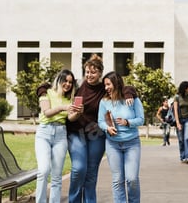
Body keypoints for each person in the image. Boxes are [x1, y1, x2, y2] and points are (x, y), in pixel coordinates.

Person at [37, 54, 136, 203]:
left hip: (96, 134)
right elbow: (47, 85)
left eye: (93, 72)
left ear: (100, 73)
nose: (89, 75)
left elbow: (124, 87)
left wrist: (129, 93)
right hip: (76, 134)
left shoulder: (104, 88)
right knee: (78, 169)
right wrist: (42, 92)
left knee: (91, 172)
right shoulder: (77, 86)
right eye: (87, 72)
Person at [35, 69, 82, 203]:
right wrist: (63, 107)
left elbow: (71, 118)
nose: (67, 84)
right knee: (43, 170)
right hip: (44, 133)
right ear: (59, 80)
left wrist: (78, 112)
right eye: (65, 81)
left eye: (70, 82)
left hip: (61, 135)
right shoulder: (46, 93)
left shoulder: (70, 99)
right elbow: (47, 112)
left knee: (56, 176)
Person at [98, 71, 144, 203]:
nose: (106, 88)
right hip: (113, 144)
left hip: (132, 143)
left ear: (116, 83)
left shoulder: (132, 99)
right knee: (117, 180)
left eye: (108, 84)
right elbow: (100, 121)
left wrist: (128, 122)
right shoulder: (104, 101)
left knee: (132, 179)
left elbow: (141, 119)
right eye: (105, 85)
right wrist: (107, 128)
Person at [173, 81, 188, 163]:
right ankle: (182, 157)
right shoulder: (177, 97)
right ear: (185, 88)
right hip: (179, 119)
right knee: (181, 139)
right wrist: (178, 123)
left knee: (186, 138)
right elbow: (175, 111)